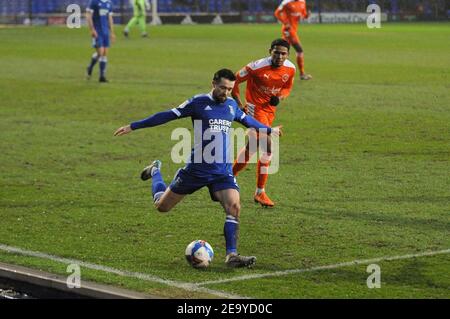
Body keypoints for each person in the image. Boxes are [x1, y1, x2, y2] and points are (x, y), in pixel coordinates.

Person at [114, 69, 282, 268]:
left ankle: (232, 255)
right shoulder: (198, 102)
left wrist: (269, 129)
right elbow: (167, 115)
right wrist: (135, 125)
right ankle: (155, 171)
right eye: (223, 88)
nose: (226, 93)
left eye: (229, 89)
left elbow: (248, 121)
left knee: (234, 207)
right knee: (162, 206)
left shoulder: (230, 105)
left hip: (221, 171)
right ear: (213, 83)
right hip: (196, 170)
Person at [232, 39, 295, 207]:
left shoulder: (290, 68)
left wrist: (280, 97)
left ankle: (228, 176)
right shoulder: (256, 67)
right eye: (276, 52)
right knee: (268, 146)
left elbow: (288, 86)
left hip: (269, 111)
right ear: (270, 51)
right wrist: (239, 104)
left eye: (283, 53)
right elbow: (234, 81)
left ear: (288, 55)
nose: (280, 56)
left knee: (252, 146)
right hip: (254, 109)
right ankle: (260, 192)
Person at [274, 0, 312, 80]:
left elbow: (303, 15)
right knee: (299, 50)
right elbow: (277, 13)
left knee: (282, 50)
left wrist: (307, 15)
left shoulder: (302, 2)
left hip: (294, 30)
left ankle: (275, 72)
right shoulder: (286, 2)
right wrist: (285, 22)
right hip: (288, 30)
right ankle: (302, 74)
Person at [86, 0, 116, 82]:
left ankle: (102, 76)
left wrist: (112, 32)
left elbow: (110, 18)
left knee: (105, 53)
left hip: (105, 32)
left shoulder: (109, 3)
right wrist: (92, 29)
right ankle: (90, 67)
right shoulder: (94, 2)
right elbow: (88, 16)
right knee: (100, 52)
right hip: (97, 32)